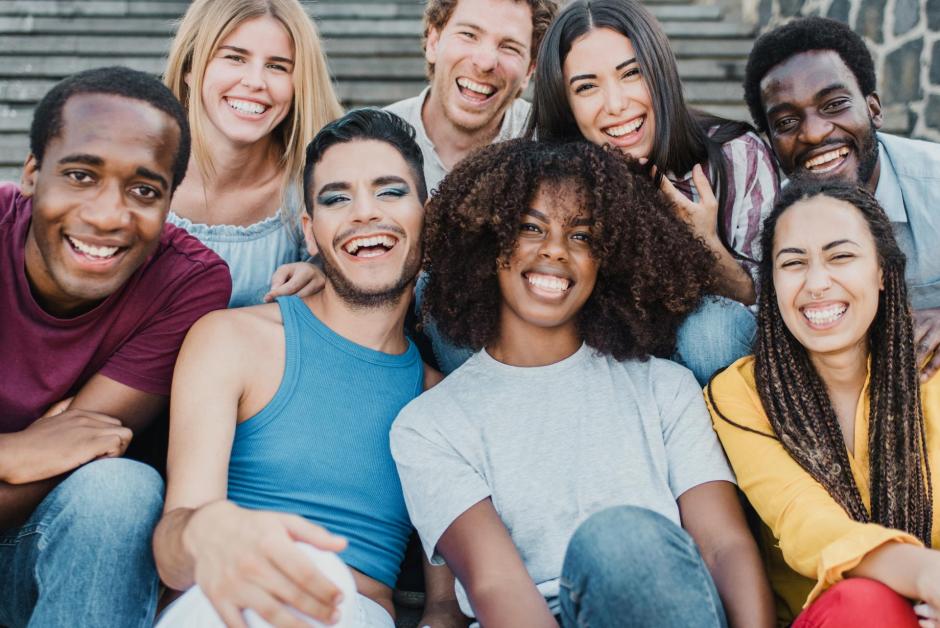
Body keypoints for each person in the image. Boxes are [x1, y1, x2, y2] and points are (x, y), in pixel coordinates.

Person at [391, 139, 775, 627]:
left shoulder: (665, 388)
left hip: (666, 608)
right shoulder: (430, 424)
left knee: (622, 542)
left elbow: (724, 547)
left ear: (609, 260)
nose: (554, 249)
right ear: (488, 244)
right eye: (530, 228)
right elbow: (494, 584)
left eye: (582, 236)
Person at [153, 109, 462, 628]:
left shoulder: (442, 400)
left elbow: (444, 607)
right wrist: (204, 533)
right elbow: (173, 549)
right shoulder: (232, 340)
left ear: (426, 217)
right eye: (336, 198)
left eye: (389, 192)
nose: (364, 212)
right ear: (310, 232)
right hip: (224, 602)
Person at [0, 66, 231, 628]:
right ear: (33, 172)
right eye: (80, 175)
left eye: (143, 190)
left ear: (171, 201)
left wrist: (33, 457)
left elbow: (75, 454)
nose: (107, 215)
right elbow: (32, 460)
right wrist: (10, 453)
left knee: (120, 490)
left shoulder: (187, 281)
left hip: (31, 547)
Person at [706, 180, 940, 627]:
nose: (816, 283)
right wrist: (926, 573)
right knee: (866, 603)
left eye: (841, 256)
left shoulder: (932, 374)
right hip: (839, 617)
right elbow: (806, 523)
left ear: (883, 273)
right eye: (793, 263)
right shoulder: (739, 395)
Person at [526, 0, 780, 385]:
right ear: (565, 104)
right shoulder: (555, 178)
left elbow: (772, 302)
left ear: (658, 71)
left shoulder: (735, 154)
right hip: (601, 362)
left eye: (632, 74)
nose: (616, 104)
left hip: (710, 364)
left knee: (711, 334)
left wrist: (705, 247)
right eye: (587, 86)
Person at [743, 16, 940, 382]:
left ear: (874, 109)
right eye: (786, 123)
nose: (815, 133)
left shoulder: (935, 183)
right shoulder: (773, 225)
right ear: (770, 142)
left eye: (834, 105)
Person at [164, 0, 343, 307]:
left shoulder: (310, 187)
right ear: (190, 69)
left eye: (277, 66)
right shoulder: (137, 170)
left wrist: (323, 273)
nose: (255, 82)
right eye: (235, 58)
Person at [385, 0, 557, 196]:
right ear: (434, 42)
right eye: (468, 35)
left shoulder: (552, 150)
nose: (485, 63)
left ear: (529, 71)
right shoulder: (373, 141)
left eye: (510, 47)